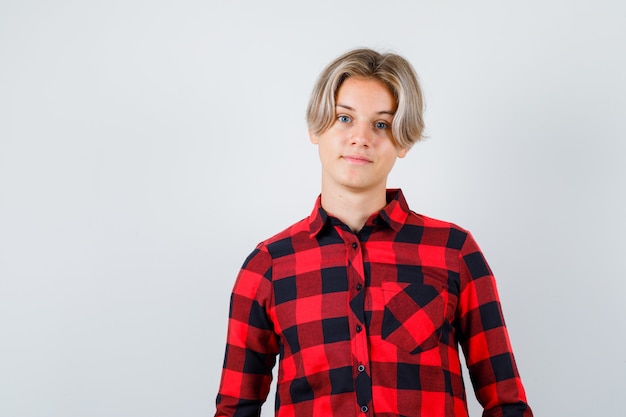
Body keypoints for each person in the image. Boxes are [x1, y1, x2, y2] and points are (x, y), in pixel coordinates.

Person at [214, 48, 533, 417]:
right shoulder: (268, 266)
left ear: (404, 141)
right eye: (344, 118)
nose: (360, 138)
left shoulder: (454, 251)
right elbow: (236, 408)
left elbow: (506, 403)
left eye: (381, 124)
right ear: (316, 128)